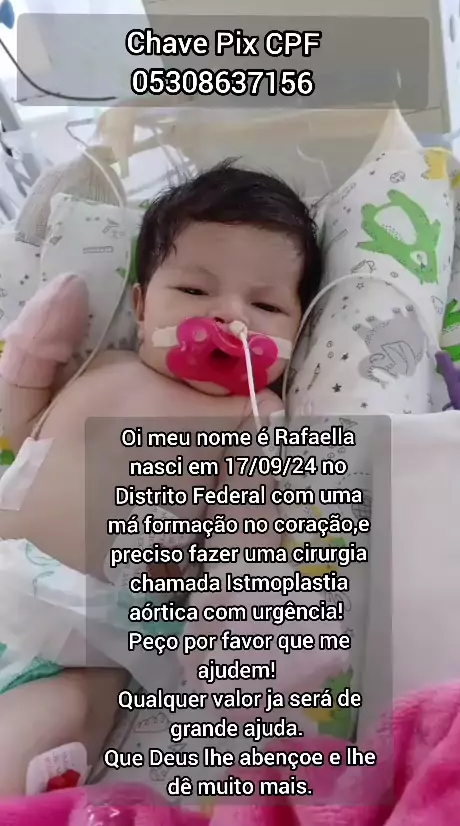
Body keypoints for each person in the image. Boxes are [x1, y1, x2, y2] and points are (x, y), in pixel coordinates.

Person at [0, 160, 323, 795]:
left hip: (81, 640)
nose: (231, 318)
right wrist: (31, 359)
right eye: (196, 292)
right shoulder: (100, 366)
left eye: (265, 304)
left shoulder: (252, 416)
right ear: (142, 307)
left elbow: (248, 544)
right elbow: (19, 434)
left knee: (46, 724)